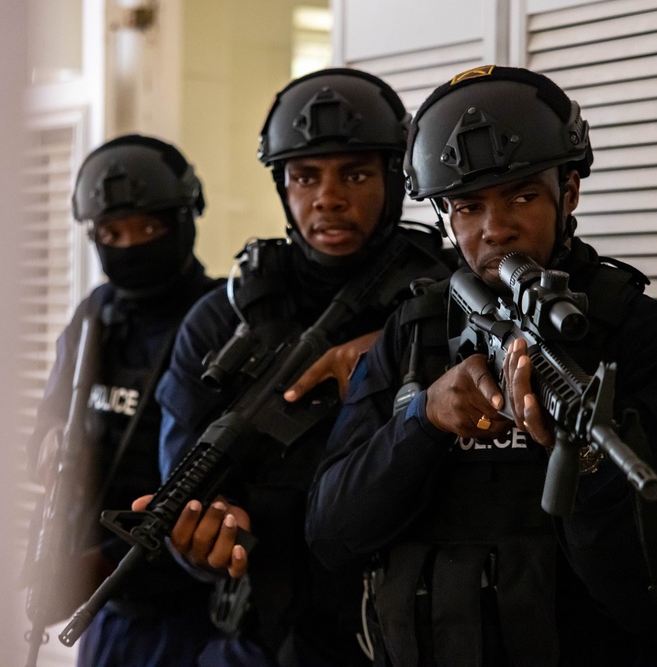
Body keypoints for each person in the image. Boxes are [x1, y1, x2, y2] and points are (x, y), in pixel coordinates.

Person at [306, 65, 657, 667]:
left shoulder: (653, 341)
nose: (495, 229)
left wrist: (578, 454)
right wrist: (425, 420)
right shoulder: (417, 330)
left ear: (570, 191)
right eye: (468, 206)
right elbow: (331, 534)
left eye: (523, 195)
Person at [153, 68, 455, 666]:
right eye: (304, 176)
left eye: (357, 174)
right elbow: (186, 486)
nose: (328, 198)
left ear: (397, 178)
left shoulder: (455, 298)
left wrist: (404, 344)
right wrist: (204, 537)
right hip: (268, 634)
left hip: (415, 633)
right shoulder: (224, 318)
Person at [25, 134, 223, 666]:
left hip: (193, 612)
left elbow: (222, 482)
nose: (131, 246)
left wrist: (99, 566)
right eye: (112, 232)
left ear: (184, 220)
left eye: (150, 228)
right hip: (108, 611)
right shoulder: (96, 316)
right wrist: (48, 446)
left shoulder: (220, 319)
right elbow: (49, 417)